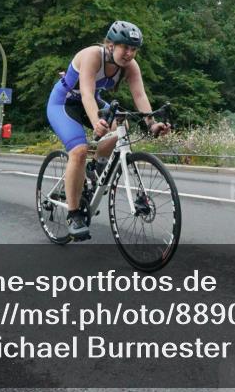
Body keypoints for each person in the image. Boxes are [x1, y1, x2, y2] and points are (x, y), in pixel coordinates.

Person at [46, 21, 170, 240]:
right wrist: (96, 122)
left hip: (91, 101)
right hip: (63, 103)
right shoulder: (92, 55)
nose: (129, 53)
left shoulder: (130, 66)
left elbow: (139, 96)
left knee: (123, 124)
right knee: (79, 150)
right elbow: (86, 93)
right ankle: (74, 215)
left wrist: (152, 124)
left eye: (134, 49)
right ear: (111, 45)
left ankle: (98, 165)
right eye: (125, 47)